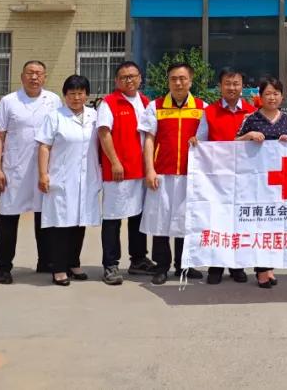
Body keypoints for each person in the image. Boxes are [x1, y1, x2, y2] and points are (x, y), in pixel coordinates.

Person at [0, 60, 62, 284]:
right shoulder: (9, 101)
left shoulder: (53, 100)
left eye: (39, 73)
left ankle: (46, 261)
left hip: (44, 169)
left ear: (45, 77)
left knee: (45, 217)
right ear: (22, 77)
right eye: (30, 73)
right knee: (9, 219)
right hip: (16, 170)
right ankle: (4, 268)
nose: (34, 77)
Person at [139, 61, 206, 284]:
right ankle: (161, 266)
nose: (178, 83)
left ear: (191, 81)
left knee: (185, 221)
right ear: (168, 82)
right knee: (160, 221)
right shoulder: (156, 106)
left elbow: (207, 140)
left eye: (182, 78)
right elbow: (149, 139)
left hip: (190, 175)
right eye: (174, 79)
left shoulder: (201, 108)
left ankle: (183, 265)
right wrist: (149, 169)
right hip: (162, 173)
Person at [36, 74, 102, 286]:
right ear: (64, 95)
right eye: (72, 93)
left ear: (87, 95)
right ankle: (59, 268)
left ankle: (74, 263)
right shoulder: (55, 116)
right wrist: (43, 174)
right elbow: (44, 146)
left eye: (80, 93)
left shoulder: (94, 116)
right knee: (61, 225)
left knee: (79, 223)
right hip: (62, 178)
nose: (76, 98)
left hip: (87, 177)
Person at [96, 61, 158, 286]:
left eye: (133, 76)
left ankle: (138, 259)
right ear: (116, 81)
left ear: (140, 78)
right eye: (124, 77)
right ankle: (110, 264)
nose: (129, 80)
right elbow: (104, 133)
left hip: (142, 171)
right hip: (119, 172)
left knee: (138, 217)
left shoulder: (145, 102)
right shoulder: (110, 103)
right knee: (113, 218)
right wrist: (114, 162)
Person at [192, 67, 253, 285]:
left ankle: (237, 266)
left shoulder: (252, 111)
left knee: (240, 222)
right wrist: (195, 143)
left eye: (236, 83)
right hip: (217, 178)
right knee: (217, 221)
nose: (232, 88)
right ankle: (215, 267)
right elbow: (201, 141)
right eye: (227, 83)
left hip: (244, 177)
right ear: (220, 86)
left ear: (242, 86)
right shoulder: (209, 112)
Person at [237, 77, 287, 288]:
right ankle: (261, 271)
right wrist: (249, 136)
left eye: (276, 93)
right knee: (260, 224)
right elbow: (232, 144)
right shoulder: (251, 119)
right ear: (260, 97)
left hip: (281, 182)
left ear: (282, 96)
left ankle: (269, 268)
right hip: (257, 182)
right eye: (267, 94)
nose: (272, 98)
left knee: (275, 225)